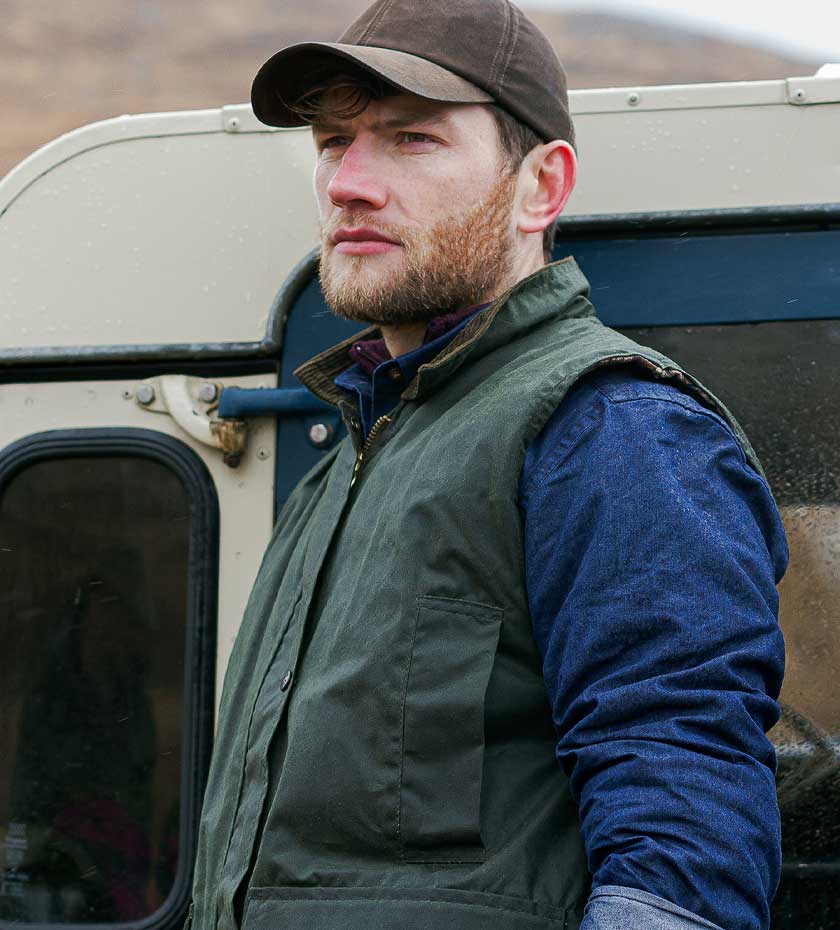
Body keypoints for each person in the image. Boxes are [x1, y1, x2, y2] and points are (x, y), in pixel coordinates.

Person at [188, 2, 787, 929]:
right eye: (332, 141)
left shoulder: (611, 426)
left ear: (540, 188)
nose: (348, 182)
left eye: (410, 139)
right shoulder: (342, 467)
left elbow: (682, 832)